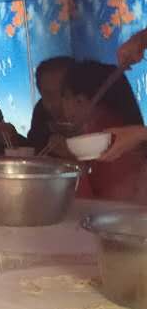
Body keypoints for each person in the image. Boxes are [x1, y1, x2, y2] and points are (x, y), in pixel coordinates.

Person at [62, 60, 146, 201]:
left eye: (65, 97)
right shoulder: (124, 129)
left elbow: (89, 202)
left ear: (80, 100)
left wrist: (71, 164)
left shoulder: (101, 137)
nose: (61, 105)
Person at [26, 56, 74, 154]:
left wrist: (72, 155)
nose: (57, 103)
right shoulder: (41, 111)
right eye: (49, 96)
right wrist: (13, 138)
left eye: (64, 94)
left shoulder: (97, 114)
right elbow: (34, 148)